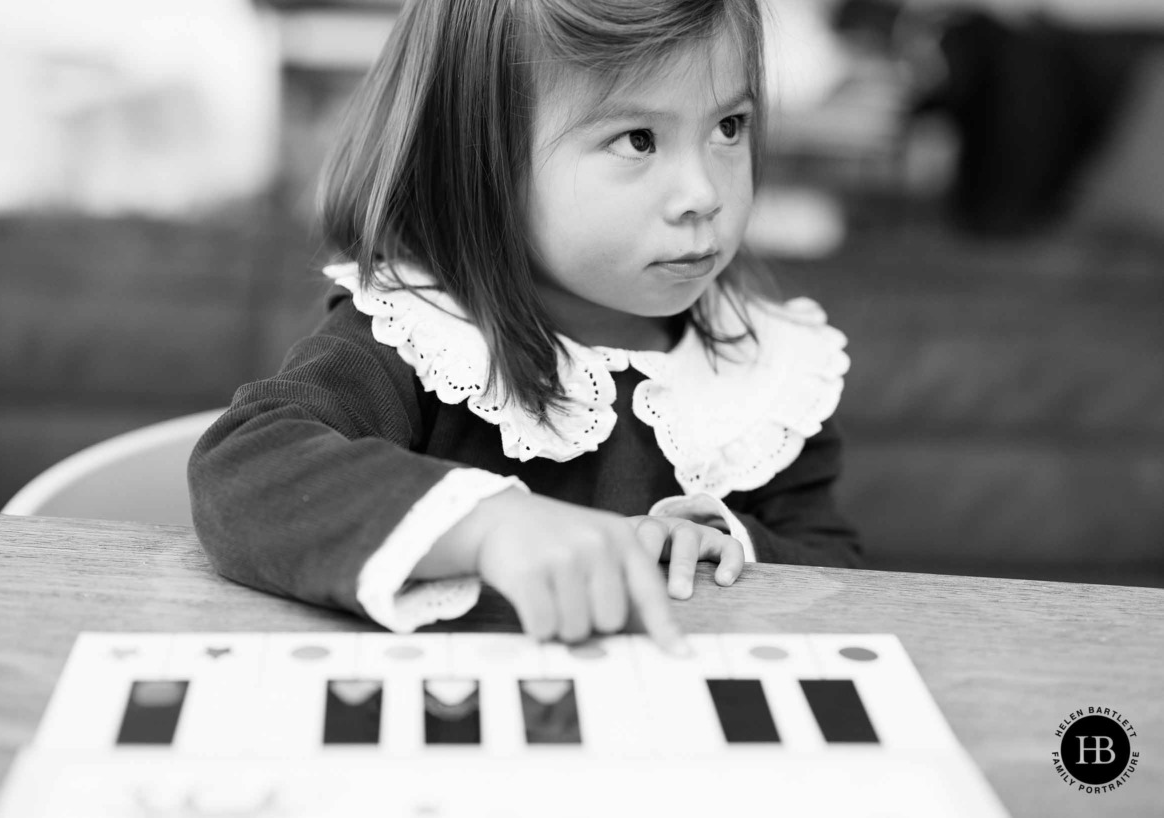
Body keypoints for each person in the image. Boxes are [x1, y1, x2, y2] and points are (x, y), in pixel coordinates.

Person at [189, 0, 860, 655]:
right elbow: (243, 471)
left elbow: (843, 578)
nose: (704, 194)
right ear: (478, 161)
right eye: (638, 139)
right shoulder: (419, 334)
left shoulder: (769, 372)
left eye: (729, 127)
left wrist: (732, 540)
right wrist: (488, 526)